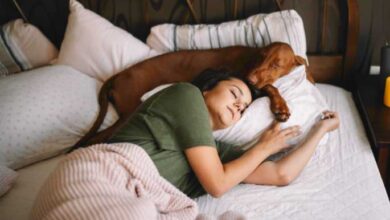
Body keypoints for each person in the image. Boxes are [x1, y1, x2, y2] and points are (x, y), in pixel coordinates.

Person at [107, 68, 340, 198]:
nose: (240, 105)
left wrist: (320, 130)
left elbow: (281, 174)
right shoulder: (186, 95)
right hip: (107, 173)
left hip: (134, 202)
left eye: (245, 108)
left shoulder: (216, 156)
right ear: (207, 90)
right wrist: (264, 147)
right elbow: (217, 185)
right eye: (234, 93)